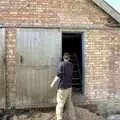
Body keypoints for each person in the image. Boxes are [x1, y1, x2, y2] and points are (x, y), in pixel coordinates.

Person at [50, 53, 76, 120]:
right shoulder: (71, 65)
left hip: (62, 88)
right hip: (69, 88)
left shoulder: (61, 64)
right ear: (69, 58)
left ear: (63, 58)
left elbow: (58, 75)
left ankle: (59, 118)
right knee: (69, 103)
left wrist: (53, 83)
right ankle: (73, 117)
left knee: (60, 105)